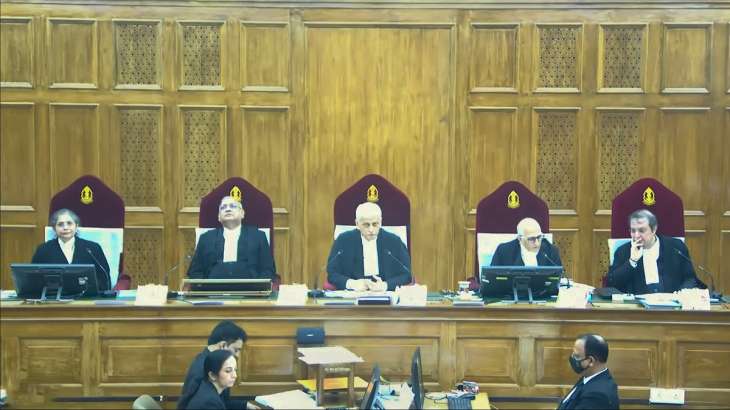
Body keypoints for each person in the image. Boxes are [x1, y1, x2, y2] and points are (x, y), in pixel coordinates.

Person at [606, 209, 699, 294]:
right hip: (638, 305)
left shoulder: (675, 247)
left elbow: (690, 278)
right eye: (633, 231)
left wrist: (681, 294)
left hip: (671, 303)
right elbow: (611, 284)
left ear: (654, 229)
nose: (636, 235)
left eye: (641, 230)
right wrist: (632, 262)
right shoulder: (623, 252)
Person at [327, 202, 412, 291]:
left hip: (385, 293)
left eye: (375, 224)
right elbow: (332, 273)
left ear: (381, 222)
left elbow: (406, 275)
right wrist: (352, 283)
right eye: (366, 225)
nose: (371, 230)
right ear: (357, 224)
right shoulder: (343, 240)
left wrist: (385, 285)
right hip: (353, 294)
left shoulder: (394, 241)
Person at [187, 196, 276, 280]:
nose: (228, 209)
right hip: (213, 290)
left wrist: (258, 287)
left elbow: (268, 270)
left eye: (233, 206)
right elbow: (195, 272)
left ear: (242, 213)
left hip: (250, 290)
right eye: (223, 207)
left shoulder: (258, 237)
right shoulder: (206, 238)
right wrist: (204, 288)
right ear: (219, 217)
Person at [31, 208, 111, 291]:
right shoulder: (43, 250)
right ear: (54, 228)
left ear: (76, 226)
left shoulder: (92, 248)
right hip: (54, 296)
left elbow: (104, 278)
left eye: (69, 223)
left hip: (87, 296)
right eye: (60, 224)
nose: (65, 227)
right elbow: (33, 279)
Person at [179, 320, 246, 410]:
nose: (237, 355)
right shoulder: (201, 369)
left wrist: (245, 405)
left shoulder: (214, 362)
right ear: (223, 345)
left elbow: (221, 401)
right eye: (236, 350)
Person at [557, 334, 619, 410]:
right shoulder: (588, 377)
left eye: (577, 356)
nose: (572, 358)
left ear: (591, 361)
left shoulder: (597, 396)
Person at [491, 217, 562, 267]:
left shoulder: (551, 251)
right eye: (531, 239)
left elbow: (558, 278)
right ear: (520, 239)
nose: (537, 243)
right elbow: (492, 278)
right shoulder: (503, 251)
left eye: (539, 237)